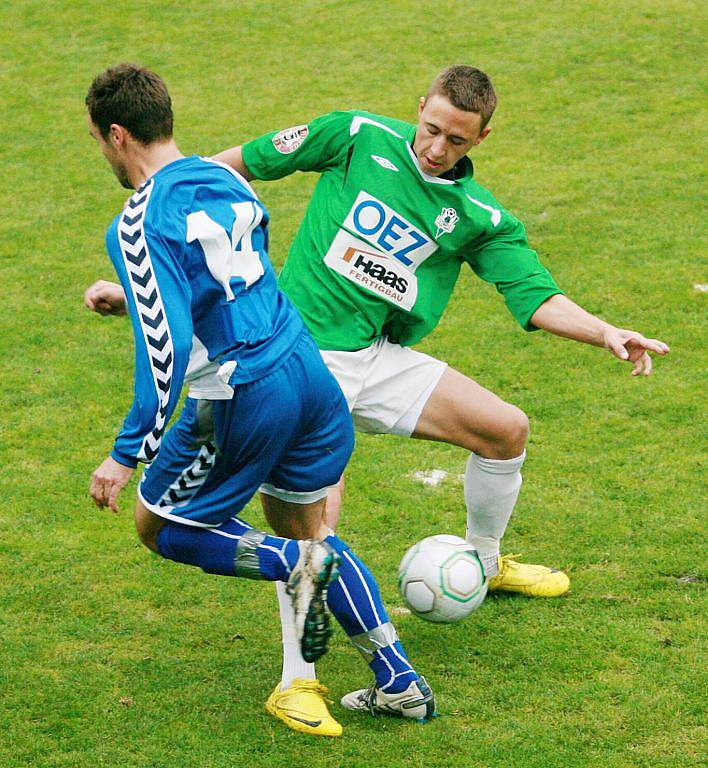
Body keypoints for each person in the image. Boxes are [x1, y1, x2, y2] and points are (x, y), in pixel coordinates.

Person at [206, 64, 671, 733]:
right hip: (296, 361)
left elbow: (534, 296)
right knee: (313, 533)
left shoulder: (479, 219)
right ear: (418, 106)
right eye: (431, 129)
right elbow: (237, 165)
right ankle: (296, 682)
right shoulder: (353, 136)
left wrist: (604, 332)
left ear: (482, 135)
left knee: (506, 429)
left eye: (456, 139)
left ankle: (485, 563)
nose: (435, 147)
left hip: (372, 357)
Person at [84, 63, 436, 739]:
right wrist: (131, 295)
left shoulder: (137, 221)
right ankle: (401, 682)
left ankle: (296, 565)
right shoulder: (225, 178)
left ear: (117, 135)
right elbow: (234, 277)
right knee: (312, 525)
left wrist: (125, 454)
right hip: (305, 368)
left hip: (244, 392)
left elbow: (165, 351)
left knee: (162, 527)